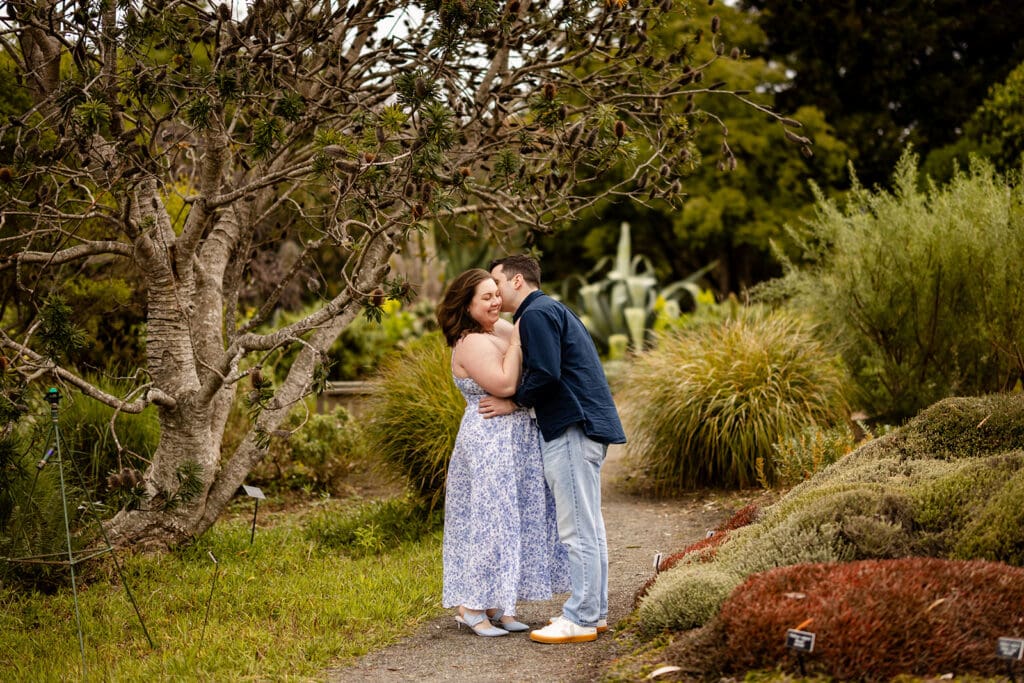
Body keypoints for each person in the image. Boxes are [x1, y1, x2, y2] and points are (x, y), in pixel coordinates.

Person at [481, 254, 626, 645]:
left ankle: (581, 617)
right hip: (585, 426)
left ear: (517, 281)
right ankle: (593, 612)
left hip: (571, 428)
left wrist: (514, 401)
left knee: (577, 529)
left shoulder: (535, 315)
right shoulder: (551, 309)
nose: (495, 292)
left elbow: (546, 372)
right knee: (589, 527)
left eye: (497, 283)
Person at [436, 268, 568, 637]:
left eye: (497, 294)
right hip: (490, 439)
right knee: (491, 521)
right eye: (486, 297)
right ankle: (472, 607)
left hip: (516, 439)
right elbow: (506, 384)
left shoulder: (499, 330)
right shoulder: (471, 342)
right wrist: (518, 341)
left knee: (515, 518)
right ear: (467, 305)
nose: (496, 301)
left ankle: (499, 604)